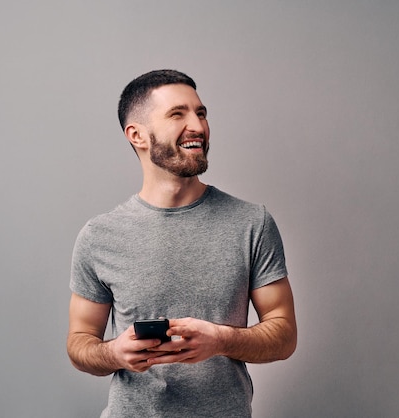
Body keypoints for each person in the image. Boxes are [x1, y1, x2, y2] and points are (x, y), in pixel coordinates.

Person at [67, 69, 297, 417]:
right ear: (137, 135)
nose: (199, 126)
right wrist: (115, 352)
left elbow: (284, 335)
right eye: (178, 114)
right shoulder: (99, 236)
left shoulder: (252, 223)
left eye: (201, 113)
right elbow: (79, 341)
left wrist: (221, 340)